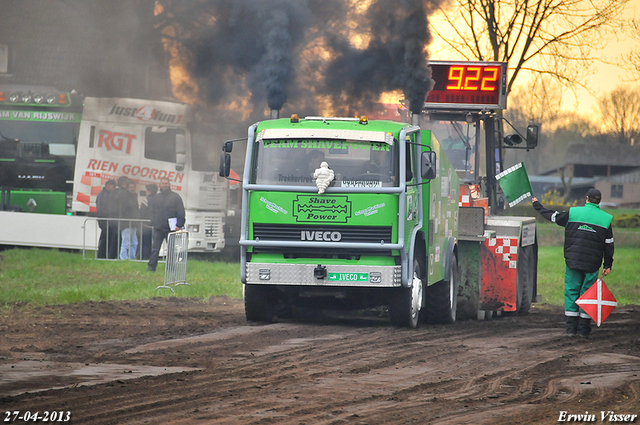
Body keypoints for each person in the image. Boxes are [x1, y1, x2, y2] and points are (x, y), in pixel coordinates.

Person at [532, 188, 614, 338]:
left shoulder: (573, 213)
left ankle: (570, 329)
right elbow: (609, 244)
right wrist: (608, 265)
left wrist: (537, 205)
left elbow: (553, 217)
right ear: (599, 201)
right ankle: (583, 330)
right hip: (592, 264)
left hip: (573, 261)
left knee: (571, 292)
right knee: (588, 294)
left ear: (586, 198)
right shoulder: (606, 219)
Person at [147, 177, 185, 272]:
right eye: (163, 183)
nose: (165, 185)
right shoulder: (156, 197)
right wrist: (153, 222)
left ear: (169, 184)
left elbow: (181, 212)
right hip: (158, 227)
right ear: (160, 184)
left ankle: (171, 268)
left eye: (166, 183)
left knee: (171, 249)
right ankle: (151, 267)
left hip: (171, 228)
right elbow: (152, 211)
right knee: (155, 249)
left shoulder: (175, 197)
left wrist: (179, 225)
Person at [96, 179, 116, 259]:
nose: (114, 188)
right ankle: (101, 255)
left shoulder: (103, 194)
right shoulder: (104, 195)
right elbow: (103, 208)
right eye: (113, 186)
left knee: (106, 238)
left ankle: (103, 255)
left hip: (104, 219)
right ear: (108, 186)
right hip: (104, 219)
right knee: (104, 238)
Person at [119, 180, 139, 260]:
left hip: (134, 223)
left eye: (134, 187)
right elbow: (124, 210)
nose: (132, 189)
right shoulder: (125, 197)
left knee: (134, 242)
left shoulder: (134, 196)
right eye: (131, 187)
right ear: (127, 188)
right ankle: (123, 257)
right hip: (126, 223)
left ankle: (132, 257)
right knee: (126, 242)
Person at [139, 183, 157, 260]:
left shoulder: (146, 200)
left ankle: (144, 258)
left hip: (146, 225)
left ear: (149, 191)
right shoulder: (159, 199)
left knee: (146, 244)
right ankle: (153, 258)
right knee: (155, 244)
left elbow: (142, 212)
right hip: (156, 225)